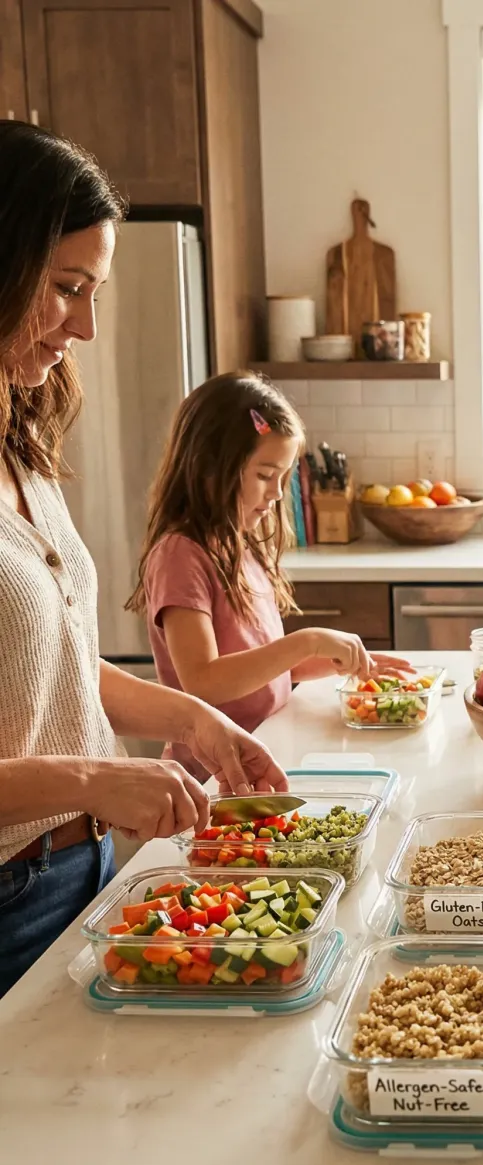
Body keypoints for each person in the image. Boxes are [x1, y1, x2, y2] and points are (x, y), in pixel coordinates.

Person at [0, 121, 288, 998]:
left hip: (82, 875)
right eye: (65, 289)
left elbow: (48, 667)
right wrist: (93, 776)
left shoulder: (20, 448)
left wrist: (198, 723)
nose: (84, 326)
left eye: (96, 291)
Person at [126, 371, 411, 779]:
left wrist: (330, 664)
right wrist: (307, 641)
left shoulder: (240, 546)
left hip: (264, 752)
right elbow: (204, 681)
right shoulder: (180, 556)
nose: (277, 493)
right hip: (215, 777)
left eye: (283, 477)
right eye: (264, 475)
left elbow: (259, 670)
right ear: (211, 465)